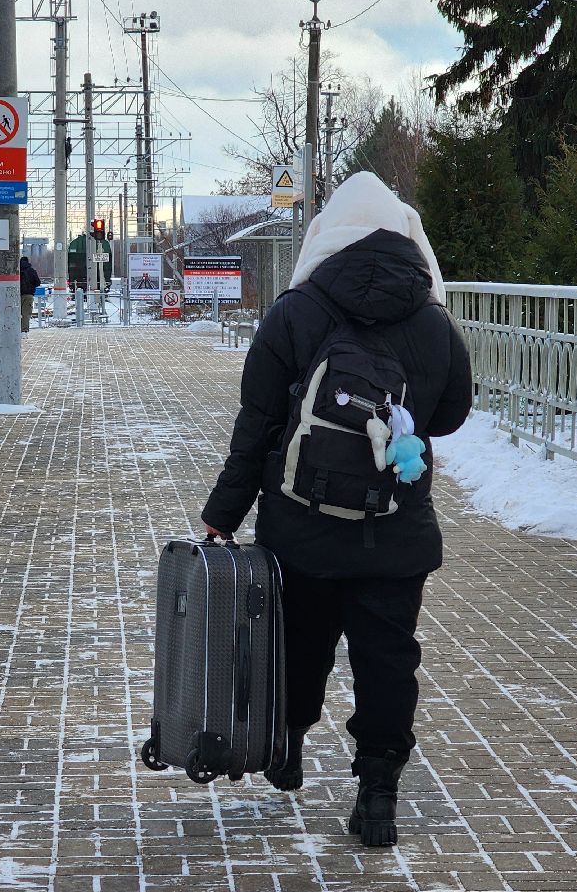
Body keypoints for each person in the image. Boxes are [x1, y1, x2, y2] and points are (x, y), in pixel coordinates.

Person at [200, 172, 473, 848]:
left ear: (325, 238)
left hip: (301, 526)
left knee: (299, 641)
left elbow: (257, 425)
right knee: (388, 660)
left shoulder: (295, 312)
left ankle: (288, 745)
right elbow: (451, 415)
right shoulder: (433, 320)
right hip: (395, 528)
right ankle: (378, 793)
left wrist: (223, 513)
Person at [19, 256, 39, 334]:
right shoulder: (31, 270)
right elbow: (37, 282)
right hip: (29, 295)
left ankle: (15, 330)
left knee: (16, 313)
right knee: (26, 313)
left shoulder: (16, 270)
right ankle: (24, 331)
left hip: (17, 295)